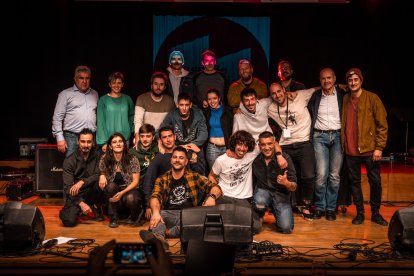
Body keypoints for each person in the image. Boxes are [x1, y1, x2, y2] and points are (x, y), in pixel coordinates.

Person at [141, 146, 222, 249]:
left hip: (188, 214)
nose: (177, 160)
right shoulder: (162, 179)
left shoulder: (193, 176)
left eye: (181, 158)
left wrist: (212, 197)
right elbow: (155, 197)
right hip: (169, 214)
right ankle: (160, 239)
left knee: (196, 221)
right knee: (157, 215)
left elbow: (215, 187)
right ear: (171, 160)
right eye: (175, 157)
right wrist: (156, 213)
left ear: (186, 162)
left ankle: (163, 233)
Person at [208, 130, 287, 234]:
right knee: (214, 225)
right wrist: (216, 188)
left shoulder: (251, 155)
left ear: (249, 147)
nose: (242, 148)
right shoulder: (221, 160)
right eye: (239, 144)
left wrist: (279, 155)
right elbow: (211, 176)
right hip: (225, 197)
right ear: (234, 144)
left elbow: (274, 143)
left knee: (256, 228)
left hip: (243, 199)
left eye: (245, 145)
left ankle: (242, 219)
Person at [341, 68, 388, 226]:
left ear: (361, 81)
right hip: (351, 150)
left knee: (375, 182)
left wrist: (379, 147)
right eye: (350, 80)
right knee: (354, 182)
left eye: (356, 80)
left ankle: (375, 213)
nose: (353, 83)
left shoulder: (372, 98)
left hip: (370, 150)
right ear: (347, 83)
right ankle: (360, 213)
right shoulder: (346, 99)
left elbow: (382, 125)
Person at [267, 82, 317, 220]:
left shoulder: (300, 96)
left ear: (284, 90)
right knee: (285, 175)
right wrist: (239, 108)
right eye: (273, 93)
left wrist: (339, 86)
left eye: (279, 91)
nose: (277, 95)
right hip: (286, 144)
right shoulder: (270, 107)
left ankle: (306, 205)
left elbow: (316, 88)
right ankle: (288, 204)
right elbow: (255, 104)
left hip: (303, 142)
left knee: (308, 175)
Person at [308, 68, 346, 221]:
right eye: (323, 78)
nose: (326, 81)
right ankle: (319, 207)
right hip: (319, 136)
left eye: (329, 78)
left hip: (338, 136)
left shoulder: (343, 96)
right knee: (321, 174)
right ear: (320, 80)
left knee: (335, 175)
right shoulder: (315, 96)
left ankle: (330, 208)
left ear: (335, 79)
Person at [252, 131, 297, 234]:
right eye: (263, 144)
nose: (267, 147)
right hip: (263, 194)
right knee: (259, 201)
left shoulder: (285, 159)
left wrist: (286, 183)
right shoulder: (256, 161)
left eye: (269, 144)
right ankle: (260, 212)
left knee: (286, 228)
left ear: (275, 144)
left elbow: (294, 186)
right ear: (259, 146)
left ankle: (277, 212)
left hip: (281, 197)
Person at [59, 128, 103, 227]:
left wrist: (82, 182)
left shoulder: (98, 156)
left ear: (93, 142)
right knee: (68, 221)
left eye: (89, 142)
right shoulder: (69, 161)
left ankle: (96, 206)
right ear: (78, 142)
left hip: (92, 191)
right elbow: (68, 187)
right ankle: (78, 209)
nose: (86, 145)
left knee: (101, 180)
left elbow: (98, 175)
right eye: (83, 142)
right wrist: (80, 203)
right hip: (76, 194)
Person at [52, 65, 99, 157]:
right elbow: (57, 117)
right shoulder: (65, 94)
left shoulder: (95, 94)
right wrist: (59, 137)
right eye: (81, 78)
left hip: (90, 137)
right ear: (75, 78)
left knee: (91, 165)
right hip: (72, 137)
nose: (84, 81)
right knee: (72, 166)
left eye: (87, 78)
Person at [99, 133, 142, 228]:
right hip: (112, 193)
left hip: (128, 190)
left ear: (124, 144)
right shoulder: (104, 159)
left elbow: (135, 182)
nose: (118, 144)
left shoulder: (132, 159)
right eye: (114, 142)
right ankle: (113, 219)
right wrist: (101, 175)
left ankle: (134, 216)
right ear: (110, 146)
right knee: (110, 186)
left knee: (131, 198)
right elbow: (101, 172)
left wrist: (122, 193)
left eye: (120, 141)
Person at [159, 93, 208, 175]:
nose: (184, 108)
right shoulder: (172, 114)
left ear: (190, 105)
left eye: (186, 105)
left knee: (199, 173)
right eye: (181, 105)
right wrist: (160, 143)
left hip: (194, 146)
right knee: (177, 173)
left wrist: (191, 145)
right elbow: (161, 130)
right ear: (177, 105)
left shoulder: (198, 114)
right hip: (178, 147)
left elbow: (204, 133)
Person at [133, 72, 175, 146]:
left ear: (165, 87)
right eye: (155, 84)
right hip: (146, 139)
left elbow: (173, 123)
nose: (158, 87)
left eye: (161, 84)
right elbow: (138, 121)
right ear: (151, 85)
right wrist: (137, 138)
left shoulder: (170, 101)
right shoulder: (142, 99)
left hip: (163, 140)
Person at [96, 72, 134, 152]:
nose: (116, 85)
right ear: (109, 84)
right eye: (113, 83)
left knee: (124, 163)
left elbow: (131, 116)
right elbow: (100, 121)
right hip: (109, 140)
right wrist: (104, 142)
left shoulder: (127, 99)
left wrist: (130, 131)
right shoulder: (103, 100)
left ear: (122, 84)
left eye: (119, 83)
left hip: (124, 139)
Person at [129, 124, 159, 222]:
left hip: (153, 187)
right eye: (142, 136)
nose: (145, 139)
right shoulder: (132, 152)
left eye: (148, 136)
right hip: (137, 187)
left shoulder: (158, 151)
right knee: (131, 198)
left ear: (153, 137)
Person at [203, 88, 233, 170]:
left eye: (214, 98)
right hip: (212, 148)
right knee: (214, 174)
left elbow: (232, 130)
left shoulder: (228, 111)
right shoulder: (206, 112)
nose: (212, 101)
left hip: (226, 148)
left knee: (227, 173)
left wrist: (230, 147)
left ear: (219, 98)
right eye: (209, 99)